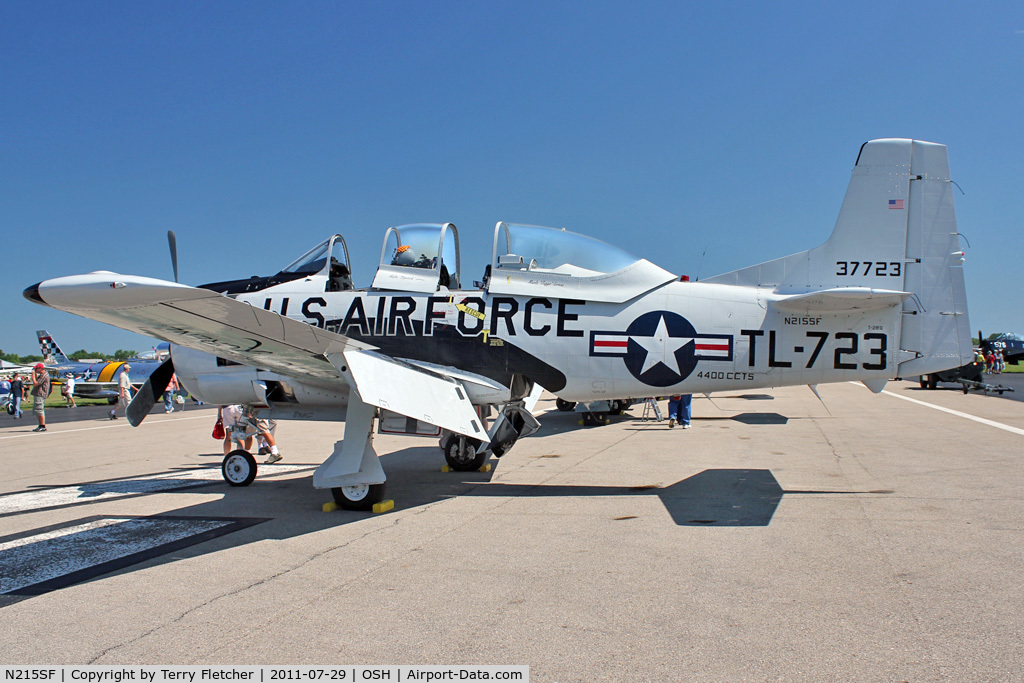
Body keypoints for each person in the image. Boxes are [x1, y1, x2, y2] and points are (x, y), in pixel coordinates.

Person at [30, 363, 50, 432]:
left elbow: (35, 383)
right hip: (38, 394)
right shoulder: (41, 375)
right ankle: (40, 425)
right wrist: (35, 374)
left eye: (36, 368)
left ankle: (42, 425)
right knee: (37, 411)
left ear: (40, 368)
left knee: (39, 410)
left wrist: (33, 375)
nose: (35, 370)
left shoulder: (44, 375)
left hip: (40, 394)